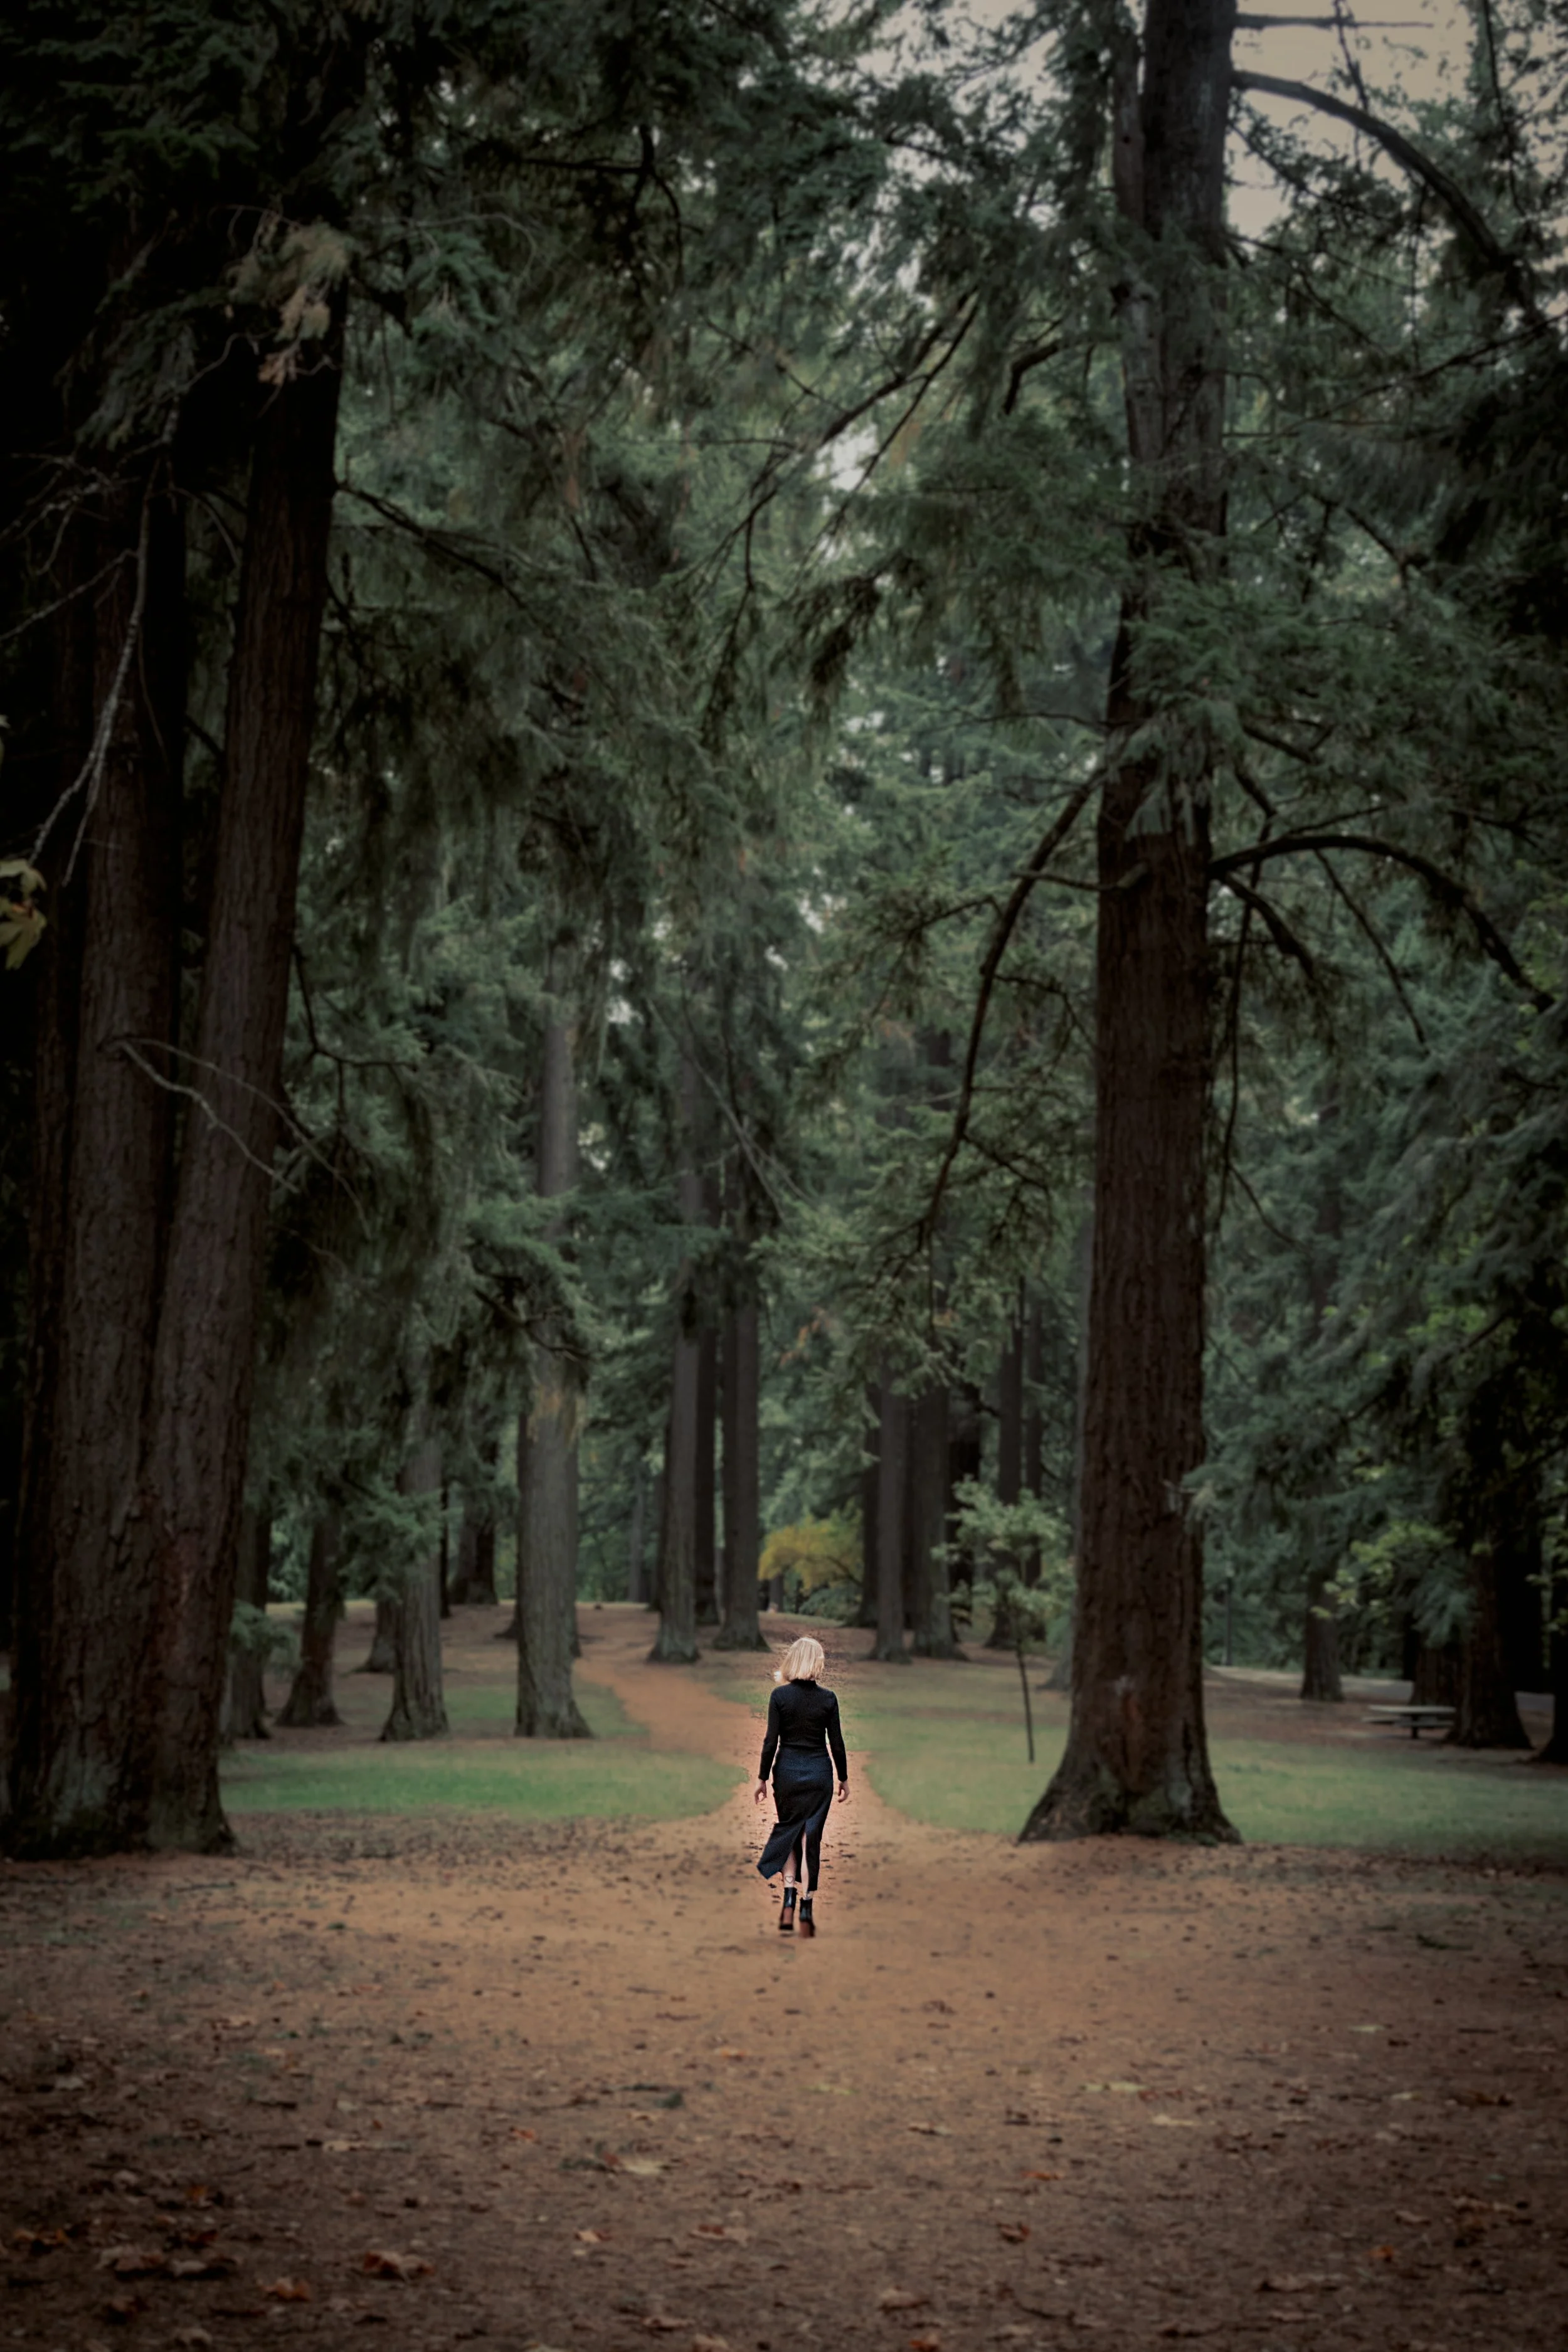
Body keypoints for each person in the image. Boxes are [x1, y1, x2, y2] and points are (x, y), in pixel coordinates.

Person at [753, 1634, 849, 1936]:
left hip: (788, 1773)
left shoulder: (780, 1697)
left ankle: (789, 1901)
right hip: (819, 1773)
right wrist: (843, 1777)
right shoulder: (828, 1698)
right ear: (818, 1663)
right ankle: (807, 1909)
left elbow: (771, 1741)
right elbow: (836, 1742)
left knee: (791, 1830)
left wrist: (763, 1777)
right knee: (810, 1838)